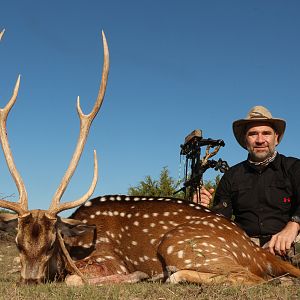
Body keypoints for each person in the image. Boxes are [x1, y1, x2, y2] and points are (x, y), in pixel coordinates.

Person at [198, 105, 300, 259]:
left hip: (289, 241)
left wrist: (293, 226)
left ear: (276, 138)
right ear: (246, 141)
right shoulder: (231, 176)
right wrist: (201, 209)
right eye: (253, 134)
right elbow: (220, 220)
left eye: (266, 133)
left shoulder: (294, 167)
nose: (260, 140)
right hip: (245, 247)